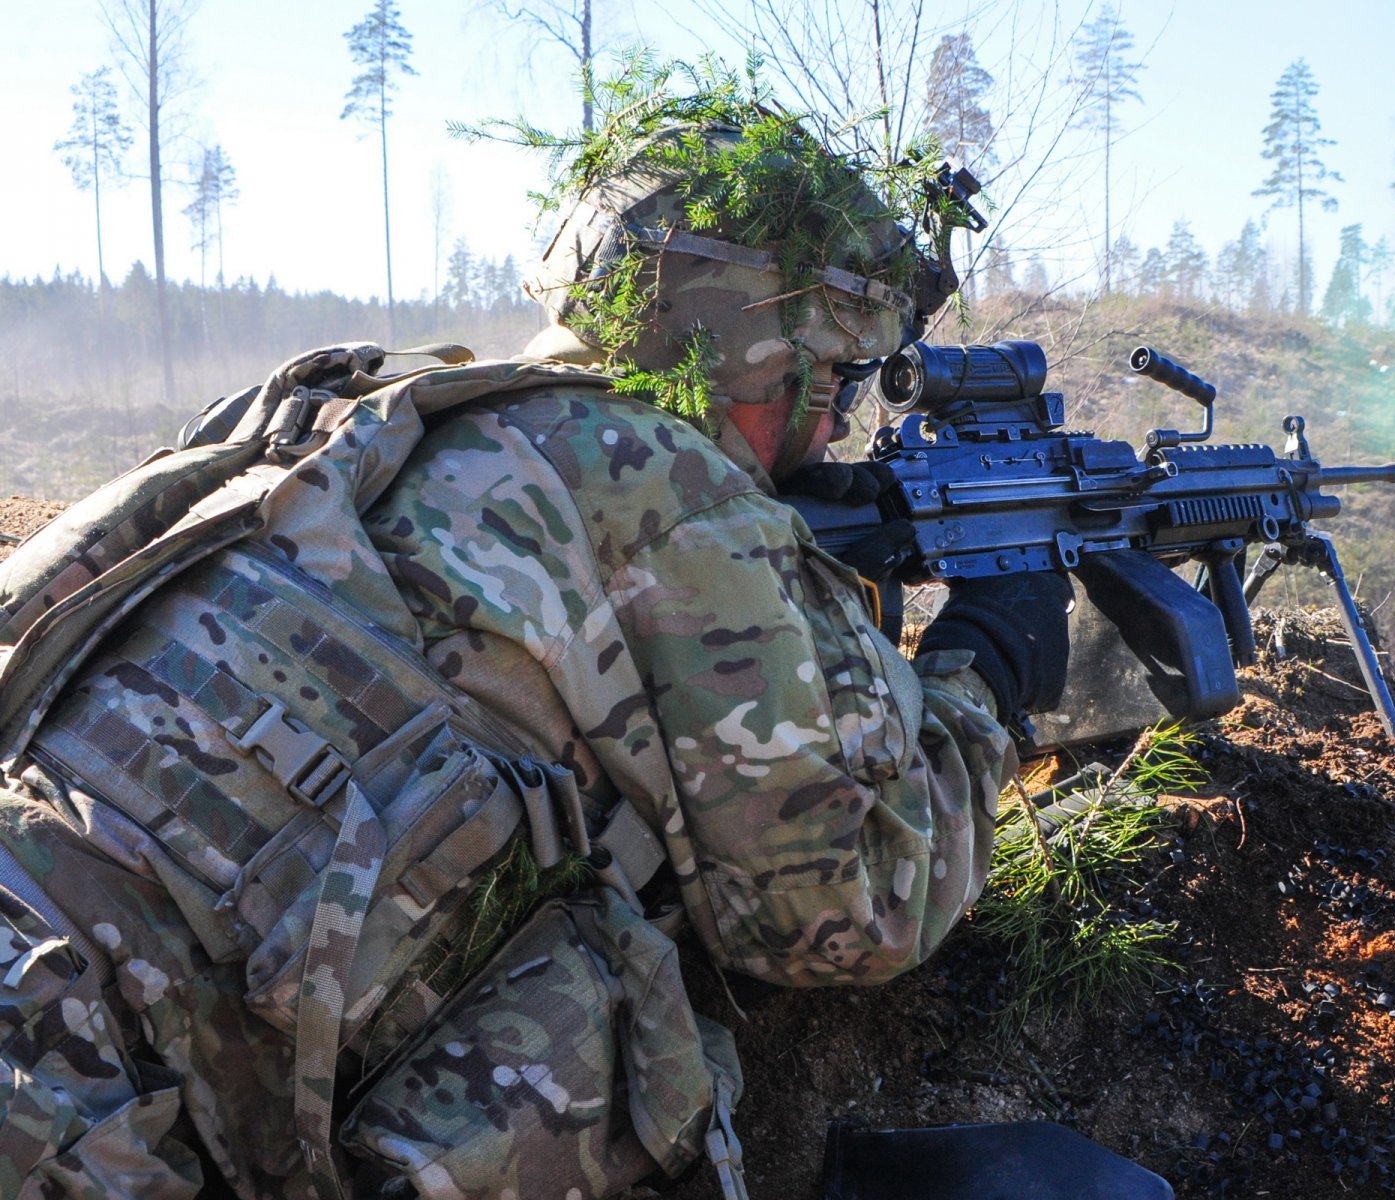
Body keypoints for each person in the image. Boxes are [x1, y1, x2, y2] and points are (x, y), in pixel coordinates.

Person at [0, 96, 1070, 1199]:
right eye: (836, 379)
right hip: (79, 1098)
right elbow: (845, 917)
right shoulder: (666, 489)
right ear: (755, 353)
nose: (839, 422)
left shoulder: (367, 409)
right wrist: (986, 670)